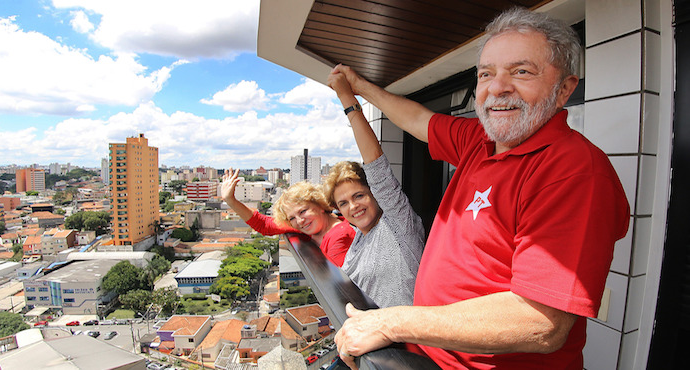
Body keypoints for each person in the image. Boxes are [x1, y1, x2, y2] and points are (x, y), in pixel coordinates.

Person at [331, 7, 630, 370]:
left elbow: (541, 323)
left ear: (564, 89)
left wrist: (391, 322)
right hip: (427, 358)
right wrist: (359, 88)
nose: (497, 87)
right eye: (486, 73)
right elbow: (417, 119)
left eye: (521, 71)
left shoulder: (574, 171)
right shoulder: (480, 139)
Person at [324, 70, 425, 309]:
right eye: (344, 203)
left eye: (359, 195)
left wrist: (347, 100)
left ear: (375, 194)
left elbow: (376, 166)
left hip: (411, 341)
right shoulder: (359, 239)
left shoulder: (398, 225)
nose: (353, 206)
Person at [221, 169, 354, 267]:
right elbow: (264, 224)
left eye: (303, 211)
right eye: (292, 218)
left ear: (320, 204)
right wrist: (231, 200)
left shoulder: (339, 237)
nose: (300, 221)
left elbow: (350, 286)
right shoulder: (312, 225)